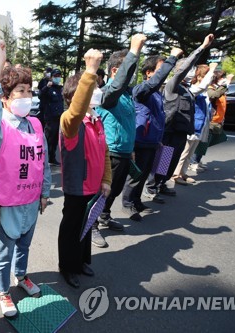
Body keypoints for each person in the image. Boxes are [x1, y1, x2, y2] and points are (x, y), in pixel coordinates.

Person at [0, 40, 51, 318]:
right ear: (4, 97)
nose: (26, 96)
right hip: (8, 202)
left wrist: (45, 192)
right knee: (5, 249)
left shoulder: (35, 124)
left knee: (24, 245)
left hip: (31, 198)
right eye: (19, 91)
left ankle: (22, 276)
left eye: (29, 90)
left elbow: (43, 161)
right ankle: (2, 290)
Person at [57, 48, 111, 288]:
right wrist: (89, 71)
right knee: (71, 227)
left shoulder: (96, 118)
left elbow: (105, 152)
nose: (96, 91)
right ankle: (67, 266)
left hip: (95, 186)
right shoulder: (69, 121)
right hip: (77, 187)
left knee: (86, 226)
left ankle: (80, 261)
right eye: (91, 87)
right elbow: (76, 111)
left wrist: (106, 179)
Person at [146, 34, 215, 198]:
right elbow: (183, 69)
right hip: (169, 131)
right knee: (163, 160)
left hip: (181, 132)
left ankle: (162, 183)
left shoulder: (188, 90)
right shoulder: (172, 85)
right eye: (187, 69)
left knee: (171, 161)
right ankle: (152, 186)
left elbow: (203, 86)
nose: (190, 71)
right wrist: (202, 47)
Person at [94, 33, 146, 247]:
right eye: (130, 71)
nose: (133, 77)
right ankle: (92, 225)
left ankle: (104, 216)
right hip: (111, 152)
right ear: (116, 71)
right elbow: (116, 86)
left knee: (113, 191)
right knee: (103, 191)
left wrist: (131, 148)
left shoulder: (126, 95)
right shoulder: (109, 92)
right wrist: (134, 51)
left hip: (125, 151)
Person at [121, 48, 183, 220]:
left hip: (153, 141)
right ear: (149, 73)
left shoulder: (156, 94)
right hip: (141, 140)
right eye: (160, 70)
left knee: (146, 173)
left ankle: (137, 199)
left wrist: (159, 139)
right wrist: (172, 59)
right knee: (135, 176)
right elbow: (155, 82)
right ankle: (128, 203)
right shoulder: (142, 90)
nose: (163, 75)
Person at [172, 62, 217, 185]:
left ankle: (167, 180)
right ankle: (161, 181)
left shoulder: (185, 88)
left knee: (182, 153)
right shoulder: (175, 87)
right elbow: (201, 87)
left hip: (185, 127)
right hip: (172, 128)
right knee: (169, 155)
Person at [189, 70, 234, 171]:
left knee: (183, 153)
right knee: (178, 152)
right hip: (173, 130)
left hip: (180, 128)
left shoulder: (202, 90)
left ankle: (176, 175)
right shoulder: (192, 89)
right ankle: (190, 164)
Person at [40, 68, 64, 165]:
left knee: (54, 139)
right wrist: (46, 87)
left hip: (58, 117)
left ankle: (52, 157)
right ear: (52, 77)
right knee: (48, 138)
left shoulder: (60, 89)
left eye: (59, 76)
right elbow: (40, 95)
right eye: (55, 76)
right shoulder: (48, 88)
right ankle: (44, 158)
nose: (57, 78)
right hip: (50, 118)